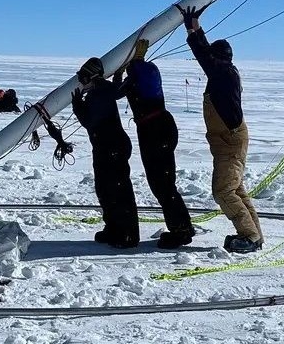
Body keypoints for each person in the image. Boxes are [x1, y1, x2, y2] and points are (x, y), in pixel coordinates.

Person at [179, 4, 263, 253]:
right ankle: (254, 235)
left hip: (230, 142)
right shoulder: (223, 73)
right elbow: (206, 57)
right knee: (235, 189)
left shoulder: (223, 73)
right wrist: (194, 27)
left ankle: (249, 236)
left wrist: (194, 29)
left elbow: (204, 56)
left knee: (223, 191)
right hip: (229, 141)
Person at [112, 39, 194, 248]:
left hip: (153, 131)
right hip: (161, 127)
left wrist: (119, 73)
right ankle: (182, 226)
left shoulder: (139, 77)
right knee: (164, 182)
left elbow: (116, 93)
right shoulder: (150, 73)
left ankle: (181, 230)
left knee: (162, 183)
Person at [72, 56, 140, 248]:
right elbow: (116, 91)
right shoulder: (98, 92)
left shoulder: (100, 91)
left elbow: (91, 122)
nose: (81, 81)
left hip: (113, 147)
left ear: (93, 76)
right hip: (103, 147)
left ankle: (128, 234)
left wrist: (79, 108)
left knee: (118, 190)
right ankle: (113, 228)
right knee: (104, 189)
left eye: (84, 76)